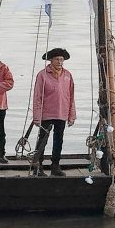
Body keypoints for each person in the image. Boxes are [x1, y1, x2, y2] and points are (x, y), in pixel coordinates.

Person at [31, 47, 76, 177]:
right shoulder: (42, 74)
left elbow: (71, 96)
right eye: (57, 59)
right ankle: (37, 166)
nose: (59, 62)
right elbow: (37, 96)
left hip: (62, 112)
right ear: (51, 60)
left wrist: (71, 115)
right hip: (46, 113)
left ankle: (55, 166)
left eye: (61, 59)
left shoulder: (68, 75)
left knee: (59, 140)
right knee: (42, 140)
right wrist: (37, 116)